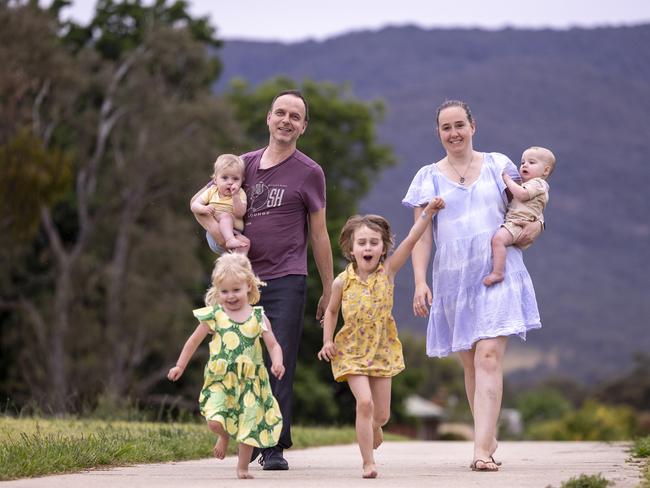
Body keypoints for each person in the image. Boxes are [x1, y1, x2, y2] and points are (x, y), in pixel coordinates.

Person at [191, 89, 334, 470]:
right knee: (238, 358)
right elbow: (201, 205)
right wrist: (225, 239)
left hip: (287, 275)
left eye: (295, 116)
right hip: (241, 281)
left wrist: (328, 289)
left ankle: (273, 445)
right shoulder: (243, 164)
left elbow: (319, 234)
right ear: (269, 118)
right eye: (280, 113)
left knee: (277, 357)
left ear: (304, 126)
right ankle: (246, 440)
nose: (287, 120)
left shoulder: (310, 172)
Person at [402, 100, 543, 472]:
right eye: (446, 127)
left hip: (499, 270)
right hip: (452, 279)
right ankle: (487, 435)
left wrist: (536, 228)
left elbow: (531, 208)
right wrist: (419, 281)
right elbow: (421, 236)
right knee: (470, 365)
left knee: (488, 357)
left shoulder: (500, 165)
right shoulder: (427, 177)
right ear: (438, 133)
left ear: (473, 126)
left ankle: (481, 450)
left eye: (460, 124)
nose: (454, 133)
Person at [317, 197, 445, 479]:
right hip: (350, 350)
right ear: (351, 249)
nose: (367, 247)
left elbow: (412, 240)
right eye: (361, 243)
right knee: (364, 403)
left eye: (374, 242)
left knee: (382, 415)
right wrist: (328, 341)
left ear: (383, 248)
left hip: (381, 348)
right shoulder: (342, 281)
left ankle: (375, 427)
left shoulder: (387, 272)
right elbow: (332, 310)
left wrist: (427, 213)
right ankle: (368, 462)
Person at [167, 253, 285, 480]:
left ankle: (243, 468)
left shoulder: (258, 316)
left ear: (248, 286)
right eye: (224, 291)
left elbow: (273, 345)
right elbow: (193, 341)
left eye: (236, 290)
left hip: (250, 382)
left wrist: (277, 362)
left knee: (248, 425)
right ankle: (223, 435)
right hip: (221, 380)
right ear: (217, 290)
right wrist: (180, 366)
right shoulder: (215, 315)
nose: (230, 296)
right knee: (214, 421)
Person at [483, 146, 555, 286]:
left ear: (545, 170)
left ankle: (498, 272)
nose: (524, 165)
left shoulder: (538, 184)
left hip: (518, 224)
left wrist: (507, 179)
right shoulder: (529, 184)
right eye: (522, 162)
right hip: (515, 223)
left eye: (531, 162)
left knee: (498, 240)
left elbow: (521, 194)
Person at [190, 154, 250, 252]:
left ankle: (239, 264)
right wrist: (204, 209)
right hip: (216, 232)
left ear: (242, 180)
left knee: (245, 243)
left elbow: (240, 213)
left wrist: (235, 197)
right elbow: (194, 206)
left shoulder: (240, 193)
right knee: (225, 217)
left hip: (235, 232)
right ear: (215, 180)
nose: (230, 182)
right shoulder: (212, 191)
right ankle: (229, 240)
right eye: (225, 178)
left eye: (235, 179)